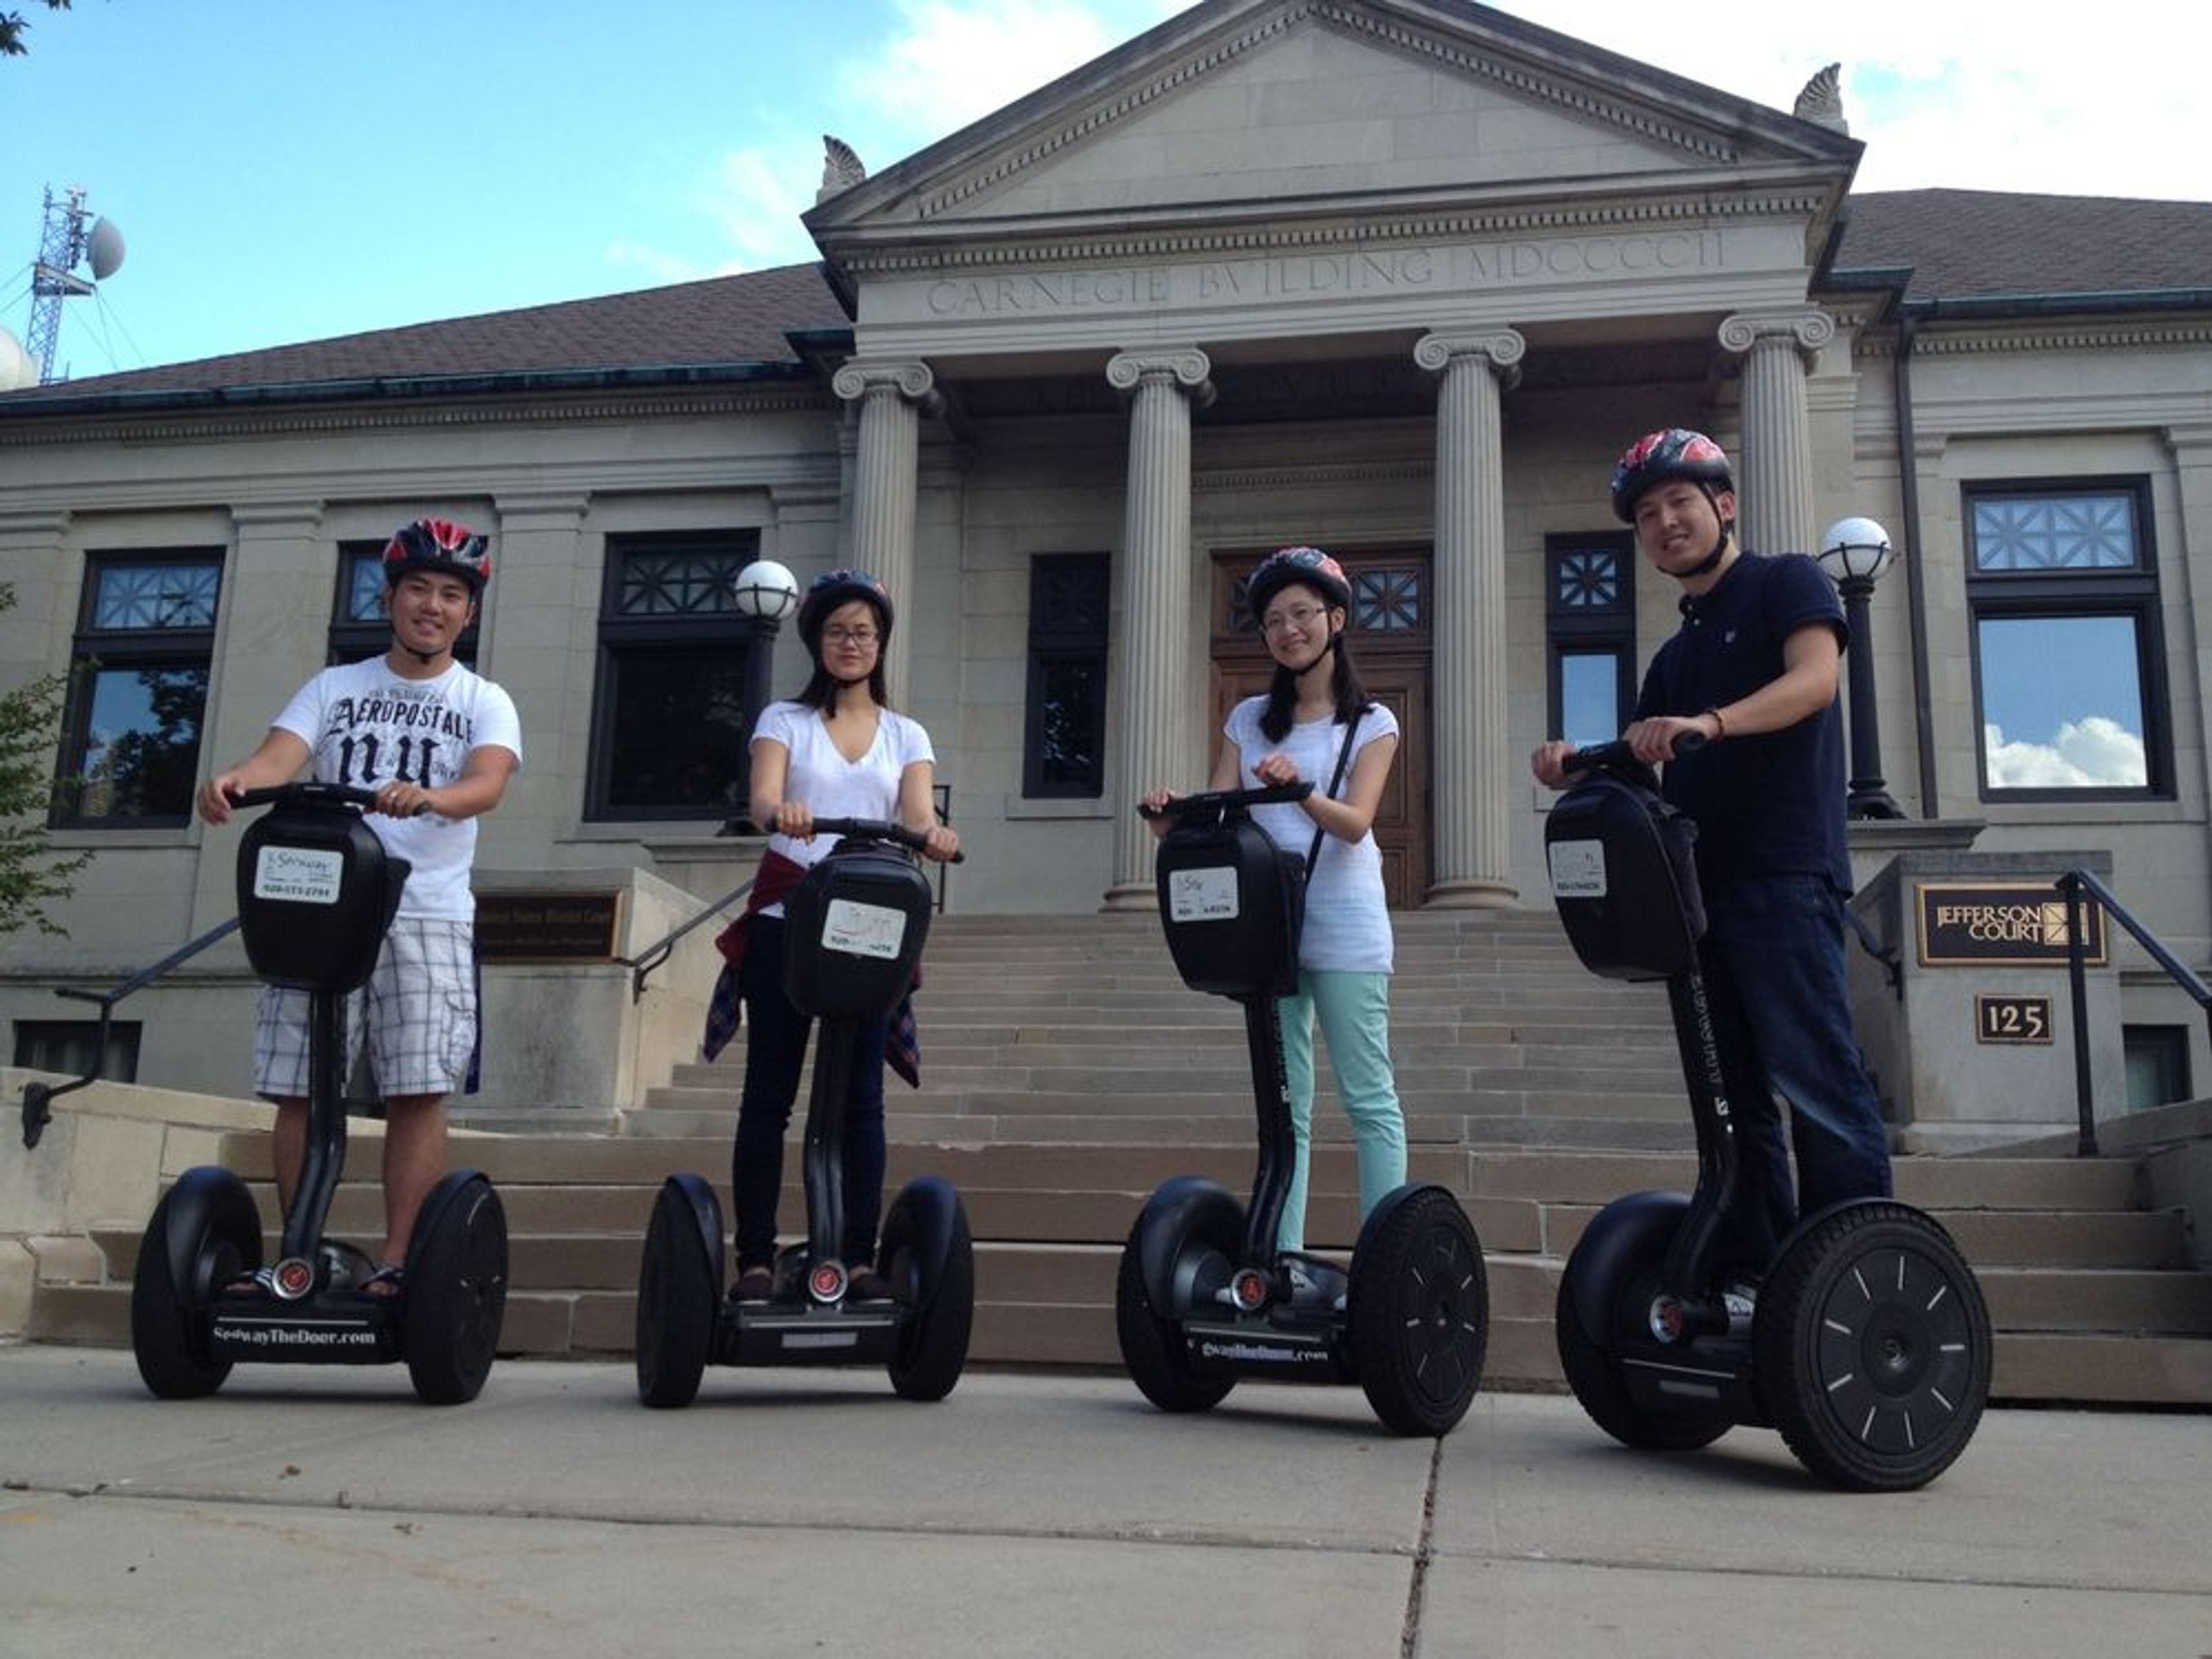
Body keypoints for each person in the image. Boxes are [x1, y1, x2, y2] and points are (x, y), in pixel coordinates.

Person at [1529, 429, 1893, 1284]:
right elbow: (1637, 752)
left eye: (1680, 503)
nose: (1665, 523)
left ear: (1724, 506)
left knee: (1816, 1084)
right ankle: (1761, 1273)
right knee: (1733, 1100)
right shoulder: (1678, 654)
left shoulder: (1786, 582)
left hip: (1783, 876)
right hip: (1697, 898)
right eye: (1648, 514)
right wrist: (1571, 762)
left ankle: (1856, 1274)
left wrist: (1714, 723)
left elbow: (1815, 682)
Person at [197, 517, 521, 1297]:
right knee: (301, 1088)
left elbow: (488, 782)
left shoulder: (484, 699)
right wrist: (237, 779)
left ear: (468, 614)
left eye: (451, 595)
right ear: (393, 599)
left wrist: (433, 797)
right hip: (322, 914)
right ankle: (296, 1253)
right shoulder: (335, 687)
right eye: (419, 590)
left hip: (426, 912)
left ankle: (402, 1261)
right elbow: (280, 756)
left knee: (417, 1087)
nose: (432, 607)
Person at [1142, 545, 1407, 1255]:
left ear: (1336, 619)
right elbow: (1226, 807)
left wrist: (1300, 791)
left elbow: (1355, 824)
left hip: (1347, 922)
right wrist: (1176, 815)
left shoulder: (1372, 723)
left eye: (1302, 614)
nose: (1288, 630)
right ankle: (1281, 1257)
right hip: (1270, 926)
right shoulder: (1250, 717)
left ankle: (1384, 1254)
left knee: (1369, 1098)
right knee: (1288, 1104)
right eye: (1273, 620)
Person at [704, 569, 958, 1302]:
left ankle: (855, 1256)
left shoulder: (907, 733)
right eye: (839, 631)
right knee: (770, 1095)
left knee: (860, 1103)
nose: (853, 644)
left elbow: (913, 812)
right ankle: (755, 1258)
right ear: (816, 640)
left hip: (871, 930)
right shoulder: (783, 721)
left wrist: (934, 835)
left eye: (866, 633)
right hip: (790, 920)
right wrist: (781, 812)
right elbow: (763, 798)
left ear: (881, 646)